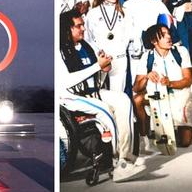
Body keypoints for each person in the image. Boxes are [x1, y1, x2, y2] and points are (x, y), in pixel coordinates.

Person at [58, 10, 146, 182]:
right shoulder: (58, 50)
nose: (83, 28)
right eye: (78, 26)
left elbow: (98, 75)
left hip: (92, 92)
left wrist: (104, 70)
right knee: (105, 110)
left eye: (83, 25)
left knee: (123, 100)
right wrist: (98, 67)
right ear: (66, 29)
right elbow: (66, 82)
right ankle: (115, 162)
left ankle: (124, 158)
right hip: (69, 96)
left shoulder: (87, 46)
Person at [132, 24, 192, 153]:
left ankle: (172, 126)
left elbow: (188, 80)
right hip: (157, 98)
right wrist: (147, 77)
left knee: (186, 142)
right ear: (154, 41)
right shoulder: (147, 57)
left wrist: (169, 83)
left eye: (169, 33)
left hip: (179, 96)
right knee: (137, 99)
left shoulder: (181, 51)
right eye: (163, 35)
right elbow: (137, 87)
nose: (169, 37)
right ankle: (143, 136)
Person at [123, 0, 176, 85]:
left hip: (153, 43)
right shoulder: (128, 4)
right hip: (136, 45)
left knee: (154, 76)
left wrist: (161, 36)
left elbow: (169, 20)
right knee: (137, 77)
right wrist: (135, 39)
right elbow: (126, 26)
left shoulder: (157, 3)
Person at [85, 0, 134, 92]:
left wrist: (122, 50)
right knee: (98, 92)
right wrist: (98, 53)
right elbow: (88, 37)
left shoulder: (125, 12)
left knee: (118, 94)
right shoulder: (93, 13)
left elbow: (129, 35)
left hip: (120, 58)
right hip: (101, 58)